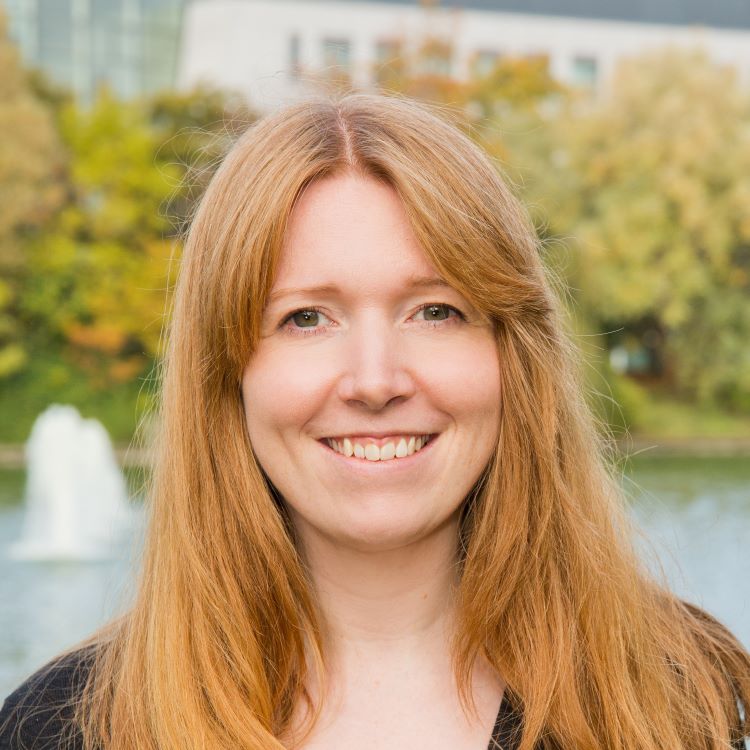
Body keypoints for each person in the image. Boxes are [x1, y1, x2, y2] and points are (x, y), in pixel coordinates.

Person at [1, 93, 748, 750]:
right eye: (305, 319)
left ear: (513, 355)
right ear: (227, 376)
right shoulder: (63, 730)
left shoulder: (689, 694)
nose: (375, 381)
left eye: (435, 311)